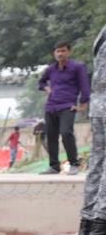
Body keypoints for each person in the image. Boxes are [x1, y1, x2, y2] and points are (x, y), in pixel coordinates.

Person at [37, 41, 90, 175]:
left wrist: (83, 103)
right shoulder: (51, 69)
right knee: (51, 136)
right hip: (51, 106)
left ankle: (74, 163)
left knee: (66, 133)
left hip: (68, 105)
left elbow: (84, 85)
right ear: (54, 54)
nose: (60, 54)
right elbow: (41, 82)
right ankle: (54, 166)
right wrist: (47, 88)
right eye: (58, 51)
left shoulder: (78, 67)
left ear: (69, 52)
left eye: (63, 51)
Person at [80, 25, 106, 235]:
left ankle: (87, 226)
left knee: (97, 162)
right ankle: (101, 229)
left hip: (99, 105)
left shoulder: (101, 34)